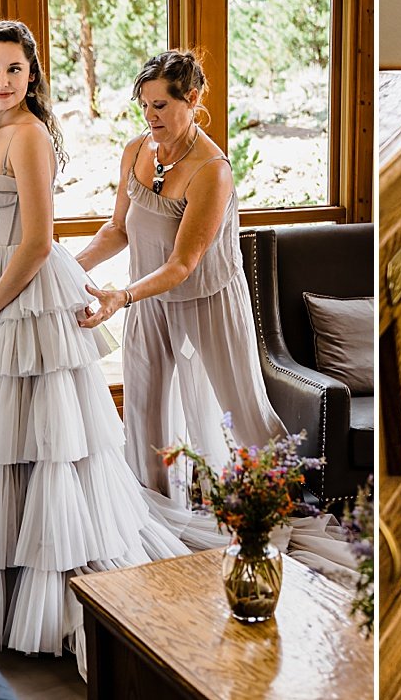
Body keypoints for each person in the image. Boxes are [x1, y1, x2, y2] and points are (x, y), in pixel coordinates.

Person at [0, 20, 184, 655]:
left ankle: (65, 599)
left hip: (26, 298)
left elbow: (38, 241)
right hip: (7, 290)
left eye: (14, 70)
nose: (2, 81)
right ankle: (10, 591)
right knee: (4, 445)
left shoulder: (31, 136)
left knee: (49, 447)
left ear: (31, 76)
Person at [75, 50, 286, 496]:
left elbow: (183, 264)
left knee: (240, 408)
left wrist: (122, 296)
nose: (150, 116)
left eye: (161, 106)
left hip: (208, 301)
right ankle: (156, 513)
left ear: (191, 98)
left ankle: (278, 501)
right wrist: (70, 268)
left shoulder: (212, 170)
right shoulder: (135, 151)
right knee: (144, 410)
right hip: (148, 301)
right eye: (144, 105)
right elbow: (117, 229)